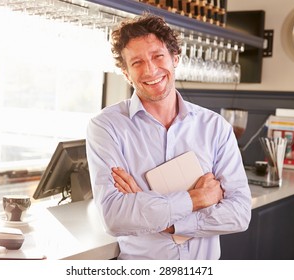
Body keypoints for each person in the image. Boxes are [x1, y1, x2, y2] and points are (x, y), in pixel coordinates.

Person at [86, 13, 251, 260]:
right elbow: (114, 217)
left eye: (157, 56)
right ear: (126, 73)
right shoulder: (105, 127)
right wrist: (197, 198)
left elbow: (239, 213)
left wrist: (165, 221)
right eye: (137, 62)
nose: (150, 69)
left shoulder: (215, 127)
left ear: (175, 59)